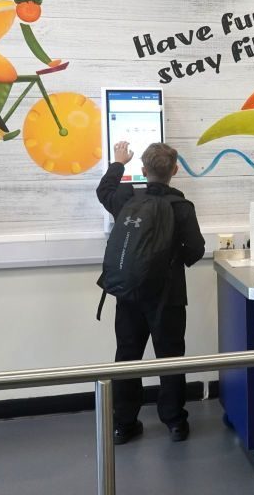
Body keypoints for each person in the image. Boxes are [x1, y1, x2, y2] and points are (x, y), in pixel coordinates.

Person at [96, 141, 205, 445]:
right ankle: (175, 423)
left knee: (128, 356)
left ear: (143, 171)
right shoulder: (181, 207)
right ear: (174, 171)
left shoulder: (127, 198)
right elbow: (196, 249)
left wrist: (118, 162)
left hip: (128, 294)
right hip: (168, 296)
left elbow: (104, 191)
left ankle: (124, 424)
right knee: (171, 357)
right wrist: (171, 259)